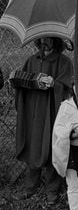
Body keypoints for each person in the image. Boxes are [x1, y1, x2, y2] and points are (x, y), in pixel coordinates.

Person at [11, 37, 73, 205]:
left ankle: (52, 189)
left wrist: (55, 83)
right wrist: (16, 80)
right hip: (33, 111)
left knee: (52, 145)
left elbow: (69, 87)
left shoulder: (64, 61)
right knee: (33, 143)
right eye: (42, 38)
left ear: (56, 41)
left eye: (49, 38)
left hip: (53, 111)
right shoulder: (31, 60)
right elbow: (22, 82)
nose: (45, 41)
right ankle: (30, 186)